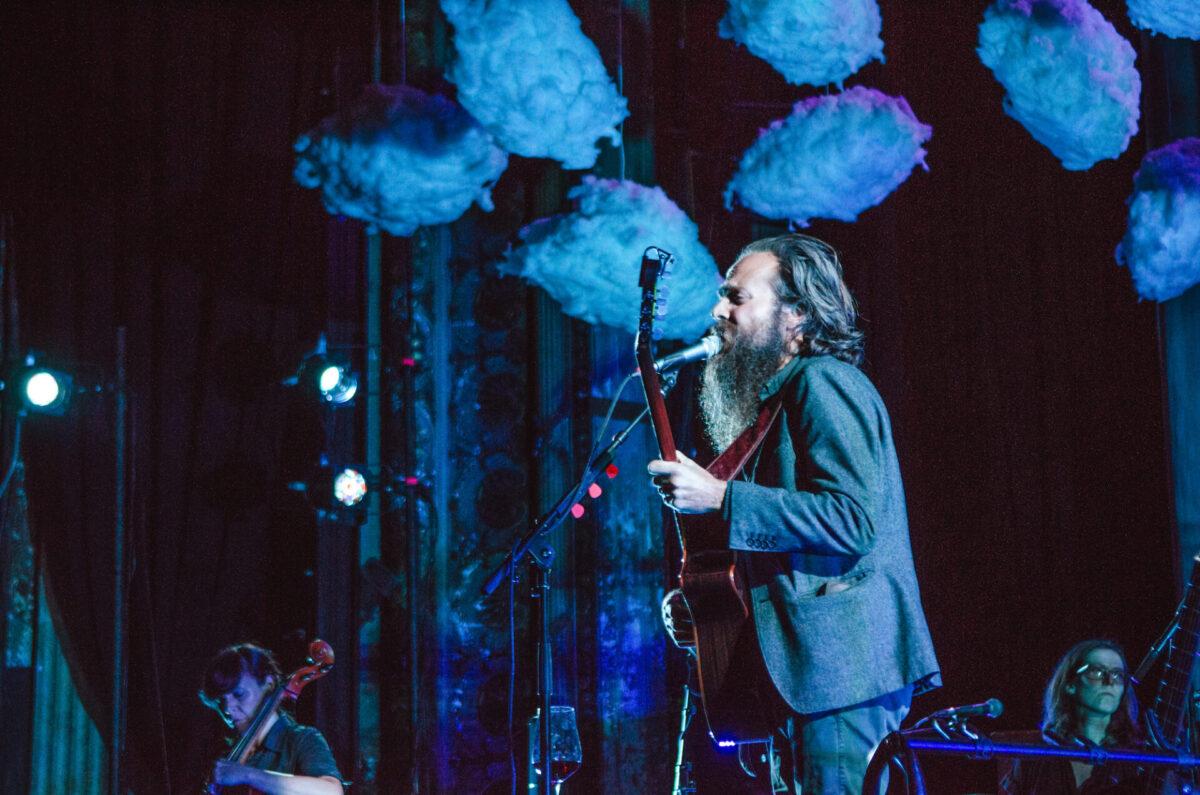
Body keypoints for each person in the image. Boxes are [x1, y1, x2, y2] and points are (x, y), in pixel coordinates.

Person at [648, 233, 941, 794]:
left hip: (839, 671)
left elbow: (853, 519)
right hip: (806, 676)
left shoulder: (824, 382)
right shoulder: (780, 399)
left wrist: (723, 498)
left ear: (797, 314)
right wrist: (708, 607)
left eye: (737, 297)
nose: (718, 311)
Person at [1000, 639, 1142, 794]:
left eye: (1117, 675)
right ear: (1070, 684)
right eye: (1096, 672)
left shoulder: (1138, 758)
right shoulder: (1037, 753)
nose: (1109, 682)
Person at [200, 643, 344, 795]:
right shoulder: (228, 756)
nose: (228, 709)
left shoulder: (300, 739)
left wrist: (248, 774)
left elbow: (331, 791)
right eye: (222, 701)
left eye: (239, 694)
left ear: (269, 684)